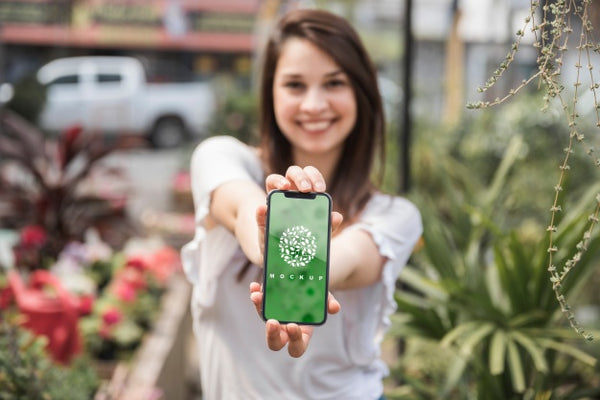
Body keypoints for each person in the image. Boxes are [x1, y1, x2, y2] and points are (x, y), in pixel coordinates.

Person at [181, 8, 422, 400]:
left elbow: (348, 260)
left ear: (361, 93)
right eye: (294, 84)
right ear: (271, 92)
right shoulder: (220, 157)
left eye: (333, 83)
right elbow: (243, 208)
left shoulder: (396, 216)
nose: (313, 104)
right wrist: (267, 236)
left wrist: (314, 268)